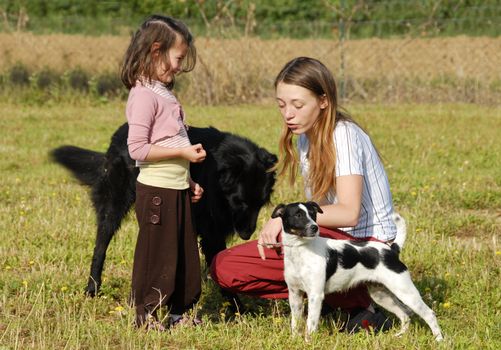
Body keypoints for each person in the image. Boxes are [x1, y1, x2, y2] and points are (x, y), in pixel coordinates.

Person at [210, 57, 397, 332]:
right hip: (327, 236)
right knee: (224, 268)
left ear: (323, 101)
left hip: (366, 243)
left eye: (298, 105)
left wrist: (280, 221)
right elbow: (319, 207)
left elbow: (348, 212)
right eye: (282, 105)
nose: (288, 114)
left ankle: (360, 305)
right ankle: (329, 293)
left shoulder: (343, 134)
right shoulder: (305, 136)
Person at [122, 14, 206, 330]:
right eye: (177, 58)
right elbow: (138, 149)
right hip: (156, 192)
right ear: (156, 51)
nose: (180, 66)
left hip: (175, 188)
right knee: (157, 255)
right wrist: (182, 153)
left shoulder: (163, 92)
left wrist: (189, 180)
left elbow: (169, 139)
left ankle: (177, 313)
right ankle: (147, 314)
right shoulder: (143, 94)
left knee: (184, 254)